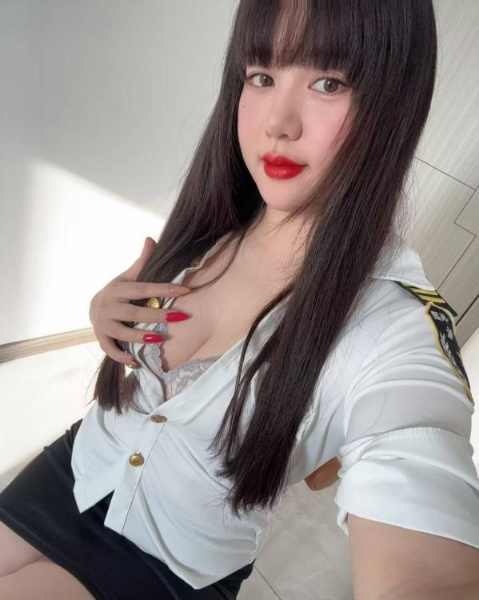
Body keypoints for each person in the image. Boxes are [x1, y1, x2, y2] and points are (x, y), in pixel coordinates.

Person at [1, 1, 479, 598]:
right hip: (83, 465)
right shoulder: (217, 219)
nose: (278, 122)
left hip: (172, 562)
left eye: (329, 82)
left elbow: (425, 544)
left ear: (393, 105)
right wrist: (104, 313)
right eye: (262, 75)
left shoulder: (389, 325)